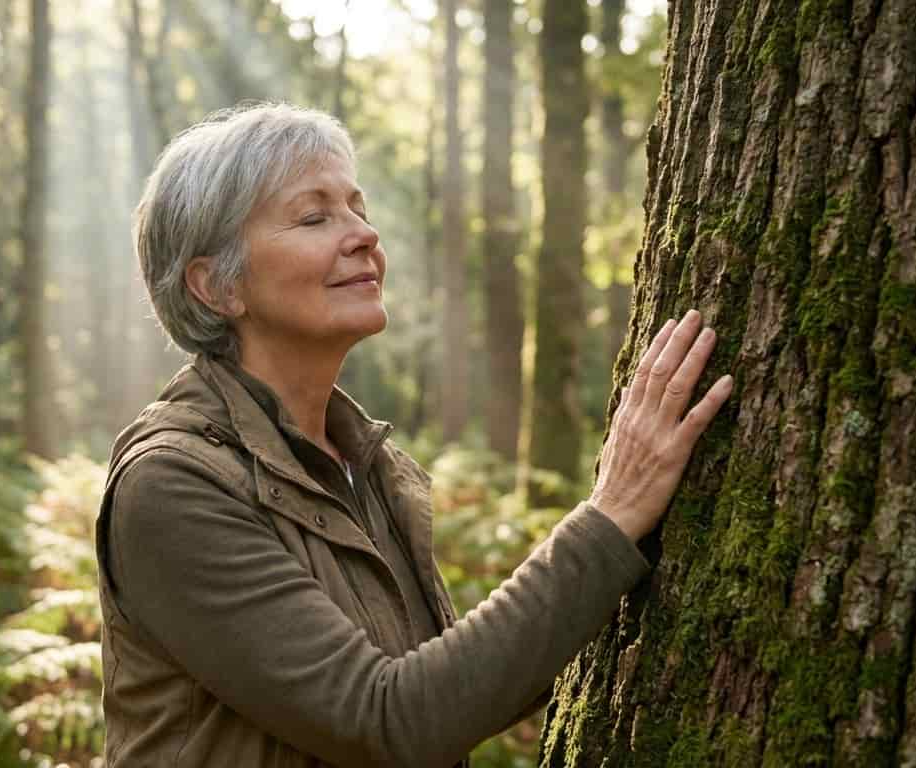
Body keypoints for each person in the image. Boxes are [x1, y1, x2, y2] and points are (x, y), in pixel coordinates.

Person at [95, 102, 733, 768]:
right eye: (315, 217)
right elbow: (390, 721)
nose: (364, 236)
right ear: (217, 286)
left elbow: (459, 692)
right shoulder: (172, 484)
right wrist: (612, 516)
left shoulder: (367, 464)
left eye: (358, 210)